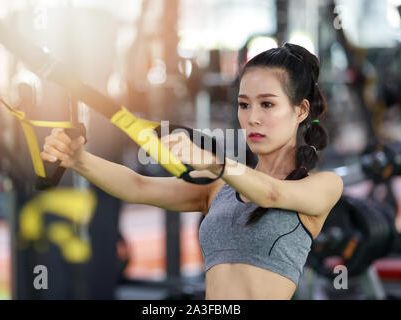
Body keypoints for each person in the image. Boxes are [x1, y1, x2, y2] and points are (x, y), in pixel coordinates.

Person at [41, 43, 343, 300]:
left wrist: (215, 163)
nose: (252, 118)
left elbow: (271, 193)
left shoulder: (324, 186)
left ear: (300, 111)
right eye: (244, 104)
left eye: (267, 104)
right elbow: (138, 186)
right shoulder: (219, 187)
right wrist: (79, 159)